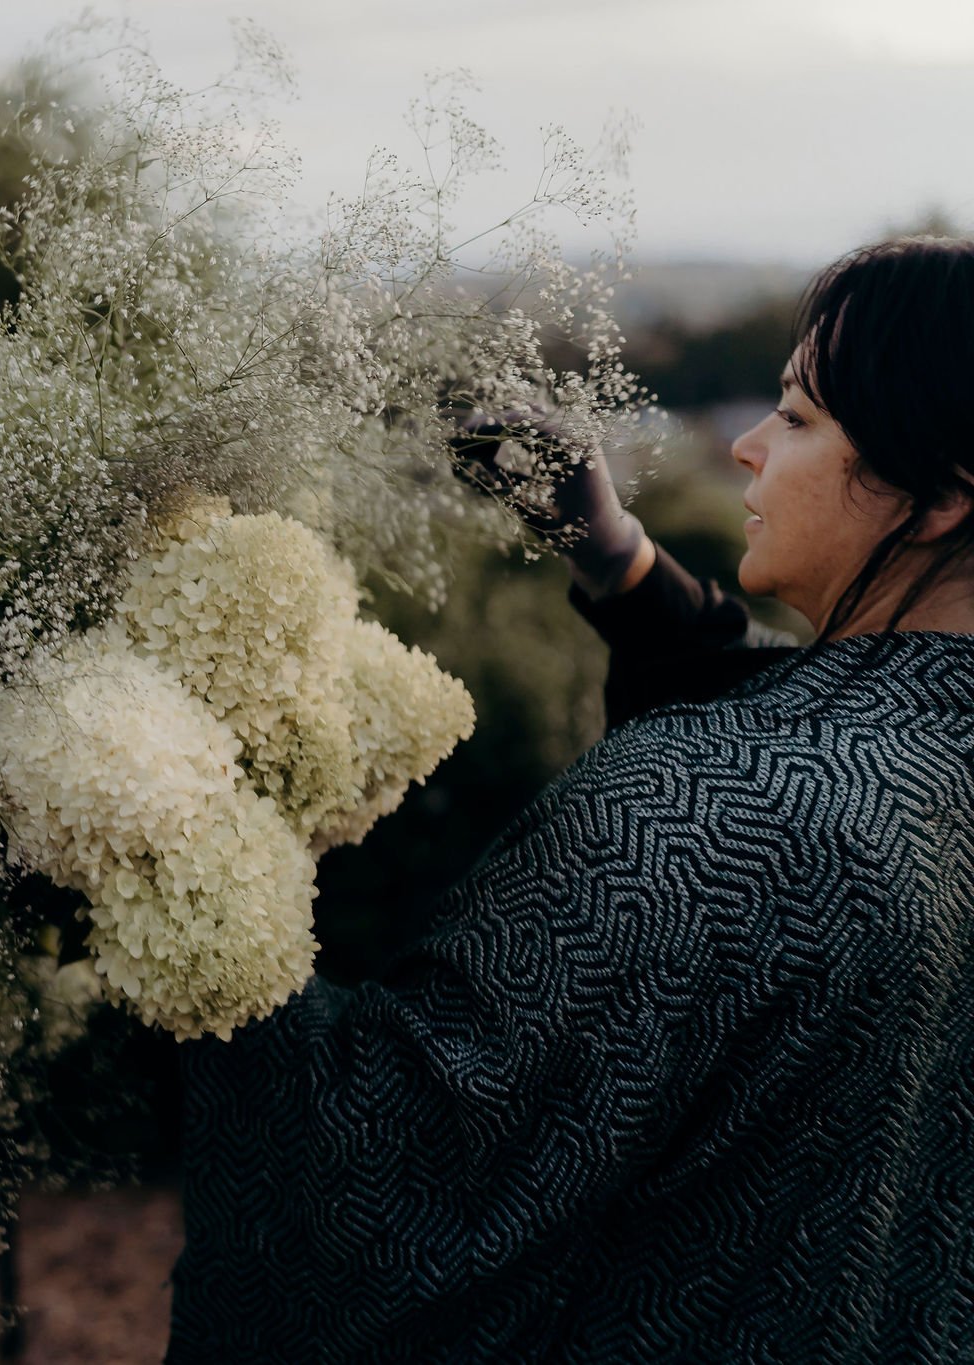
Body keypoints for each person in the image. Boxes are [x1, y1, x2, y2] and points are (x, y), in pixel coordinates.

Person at [165, 234, 974, 1362]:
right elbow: (829, 729)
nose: (743, 448)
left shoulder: (704, 813)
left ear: (935, 496)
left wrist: (170, 834)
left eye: (795, 419)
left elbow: (359, 1199)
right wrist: (619, 562)